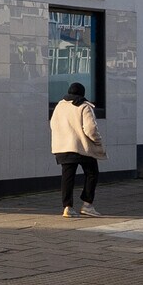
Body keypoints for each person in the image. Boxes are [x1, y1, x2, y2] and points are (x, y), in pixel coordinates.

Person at [49, 82, 106, 216]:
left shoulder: (59, 106)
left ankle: (67, 207)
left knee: (67, 177)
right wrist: (98, 141)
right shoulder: (84, 106)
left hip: (63, 147)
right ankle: (87, 204)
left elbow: (53, 124)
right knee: (92, 173)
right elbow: (91, 129)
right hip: (81, 147)